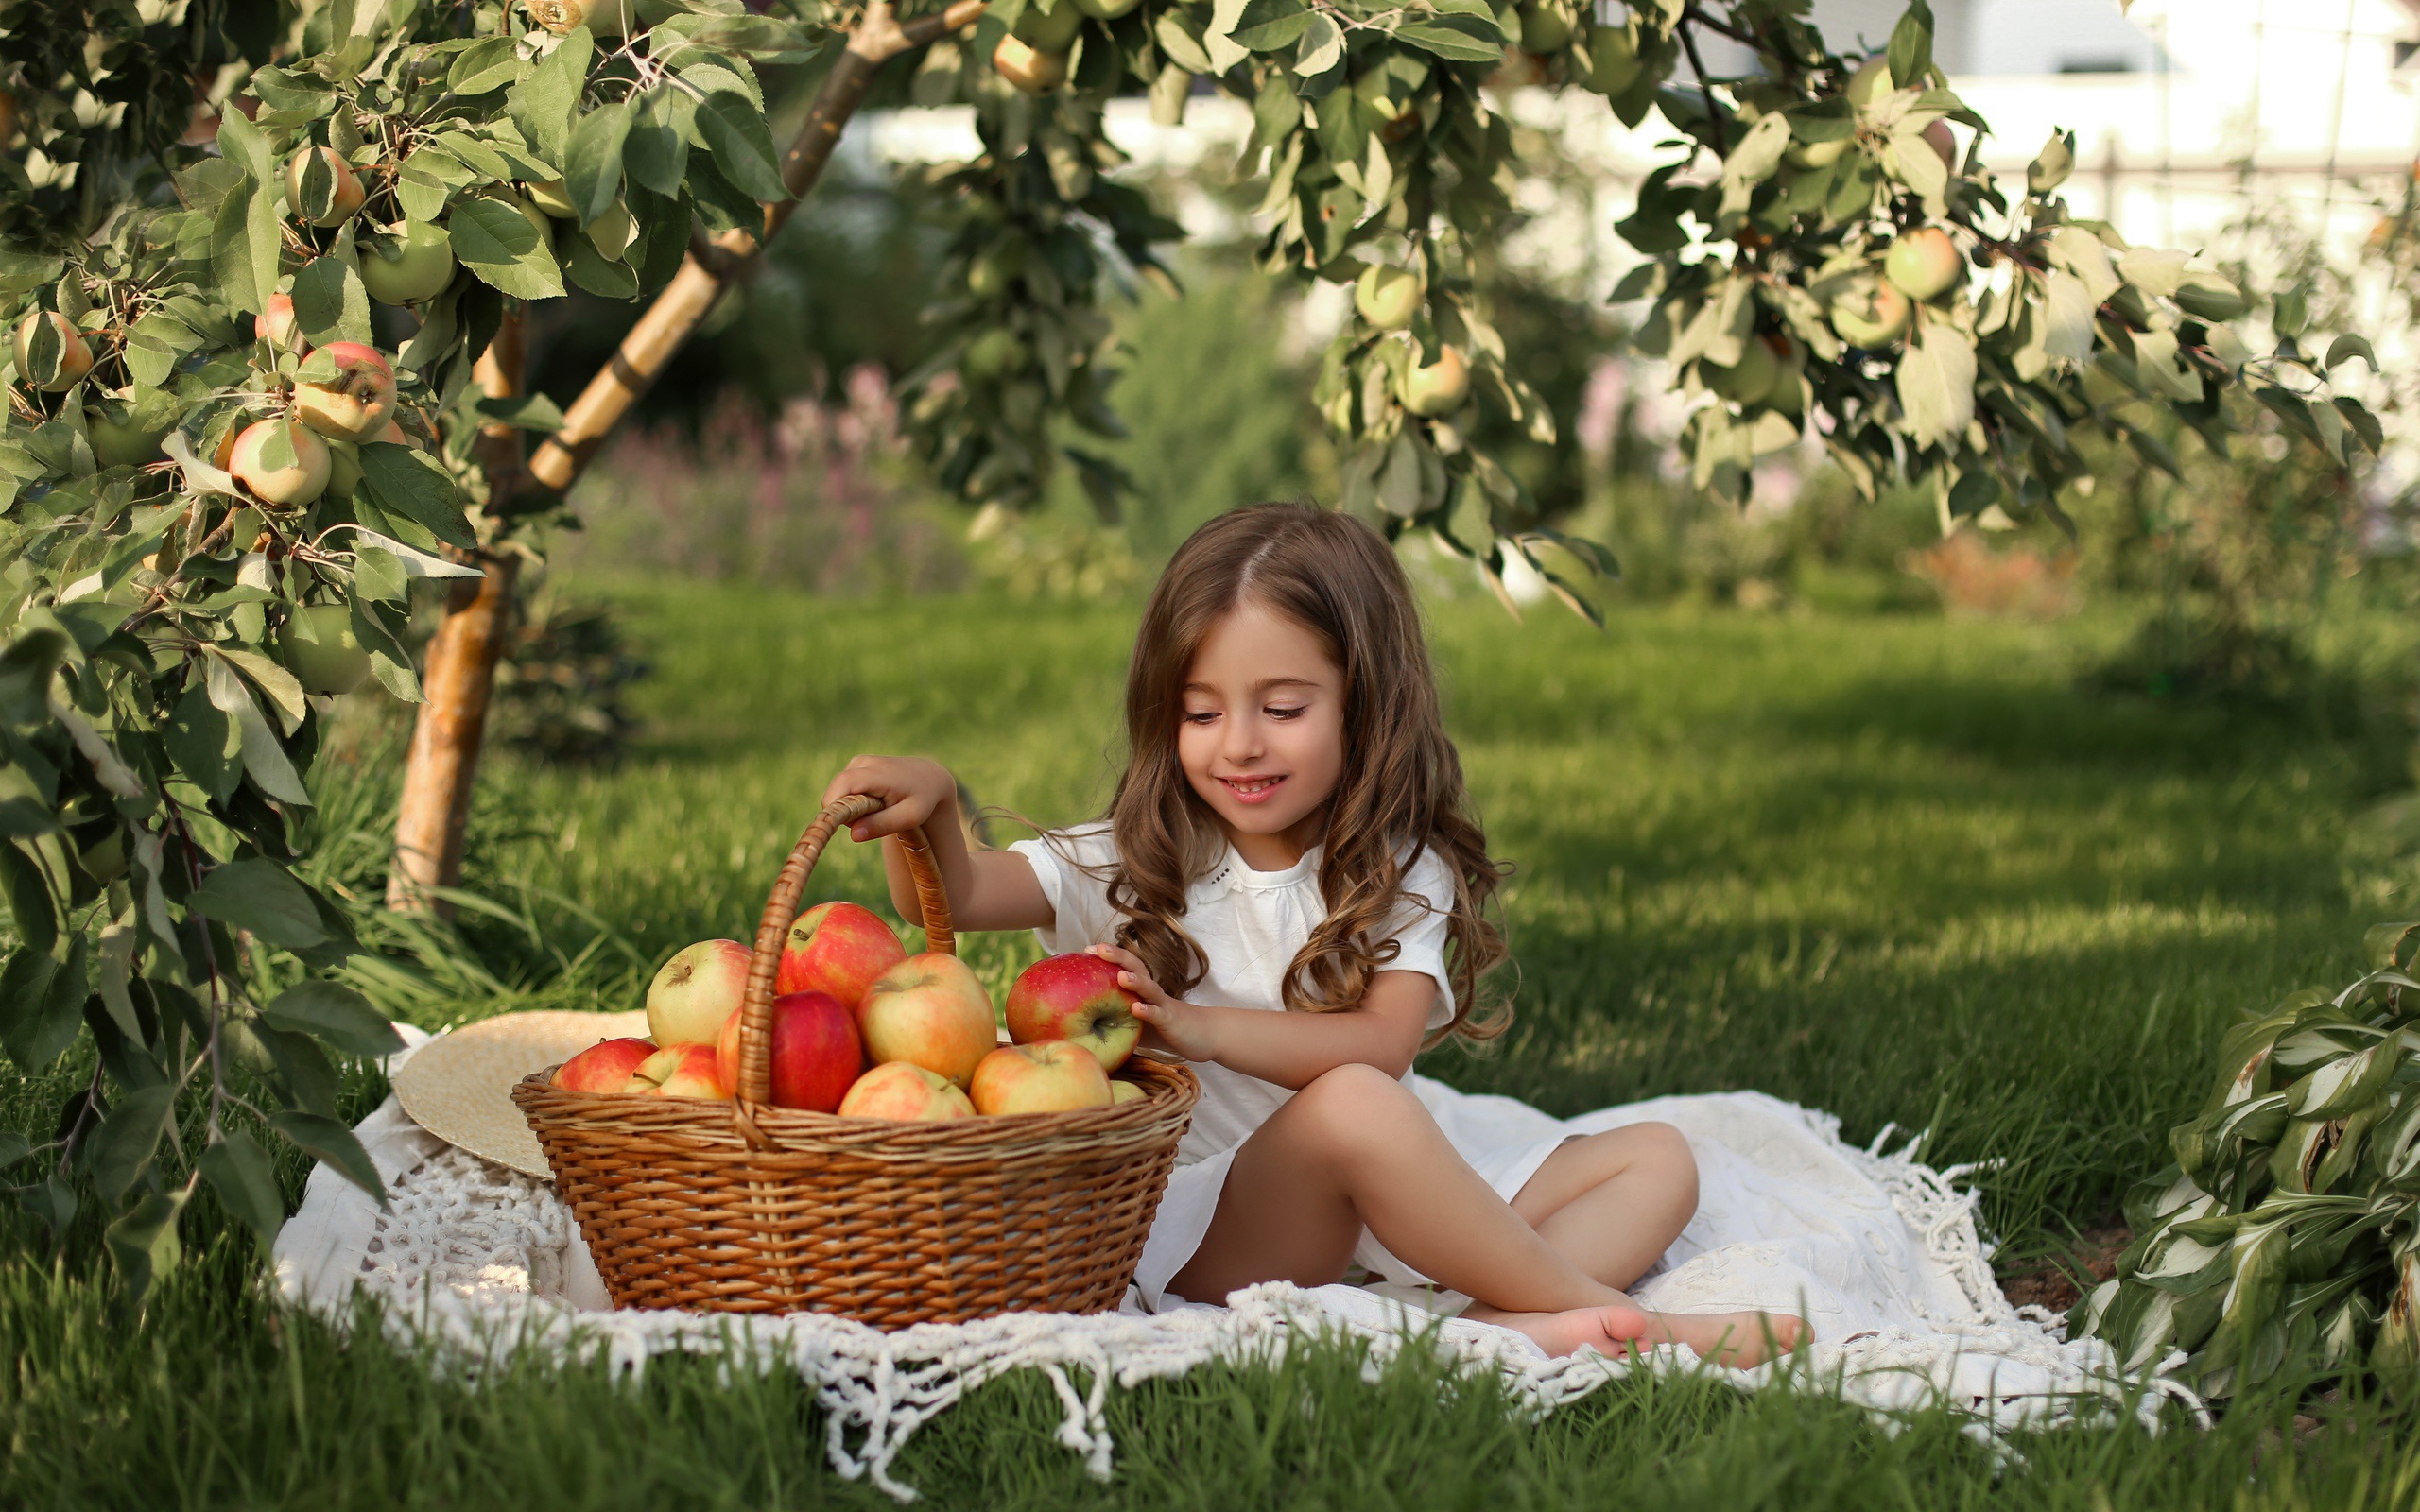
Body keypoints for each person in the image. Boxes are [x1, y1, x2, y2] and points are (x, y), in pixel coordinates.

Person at [820, 502, 1806, 1363]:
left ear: (1362, 705)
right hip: (1215, 1221)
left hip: (1374, 1187)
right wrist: (933, 806)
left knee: (1659, 1158)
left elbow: (1383, 1043)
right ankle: (1606, 1316)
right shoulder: (1135, 855)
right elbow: (951, 896)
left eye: (1282, 707)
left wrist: (1206, 1030)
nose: (1240, 743)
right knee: (1353, 1109)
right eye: (1200, 713)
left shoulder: (1398, 867)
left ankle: (1490, 1323)